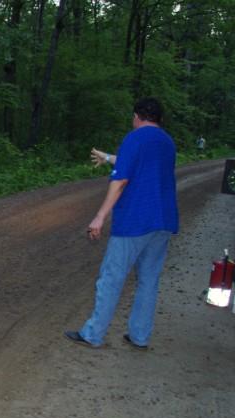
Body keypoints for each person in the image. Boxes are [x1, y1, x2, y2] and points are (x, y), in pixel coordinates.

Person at [65, 97, 178, 349]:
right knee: (149, 280)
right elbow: (140, 163)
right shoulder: (167, 143)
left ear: (137, 116)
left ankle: (93, 334)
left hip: (135, 221)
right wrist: (107, 157)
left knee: (111, 278)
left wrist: (100, 216)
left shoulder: (134, 137)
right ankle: (140, 336)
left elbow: (121, 181)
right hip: (163, 221)